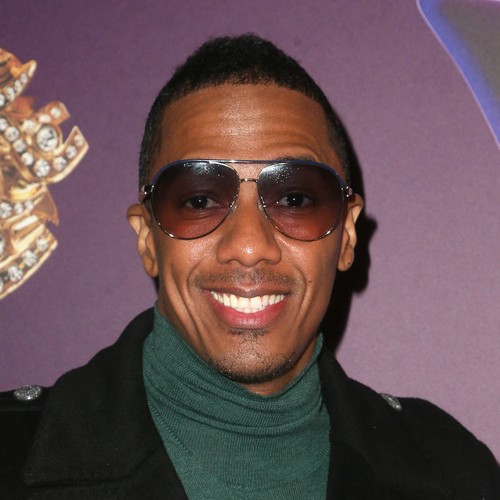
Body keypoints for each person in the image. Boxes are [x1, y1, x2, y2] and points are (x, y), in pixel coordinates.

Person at [0, 34, 498, 499]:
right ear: (147, 238)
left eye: (296, 198)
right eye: (198, 200)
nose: (249, 245)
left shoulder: (456, 474)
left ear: (346, 234)